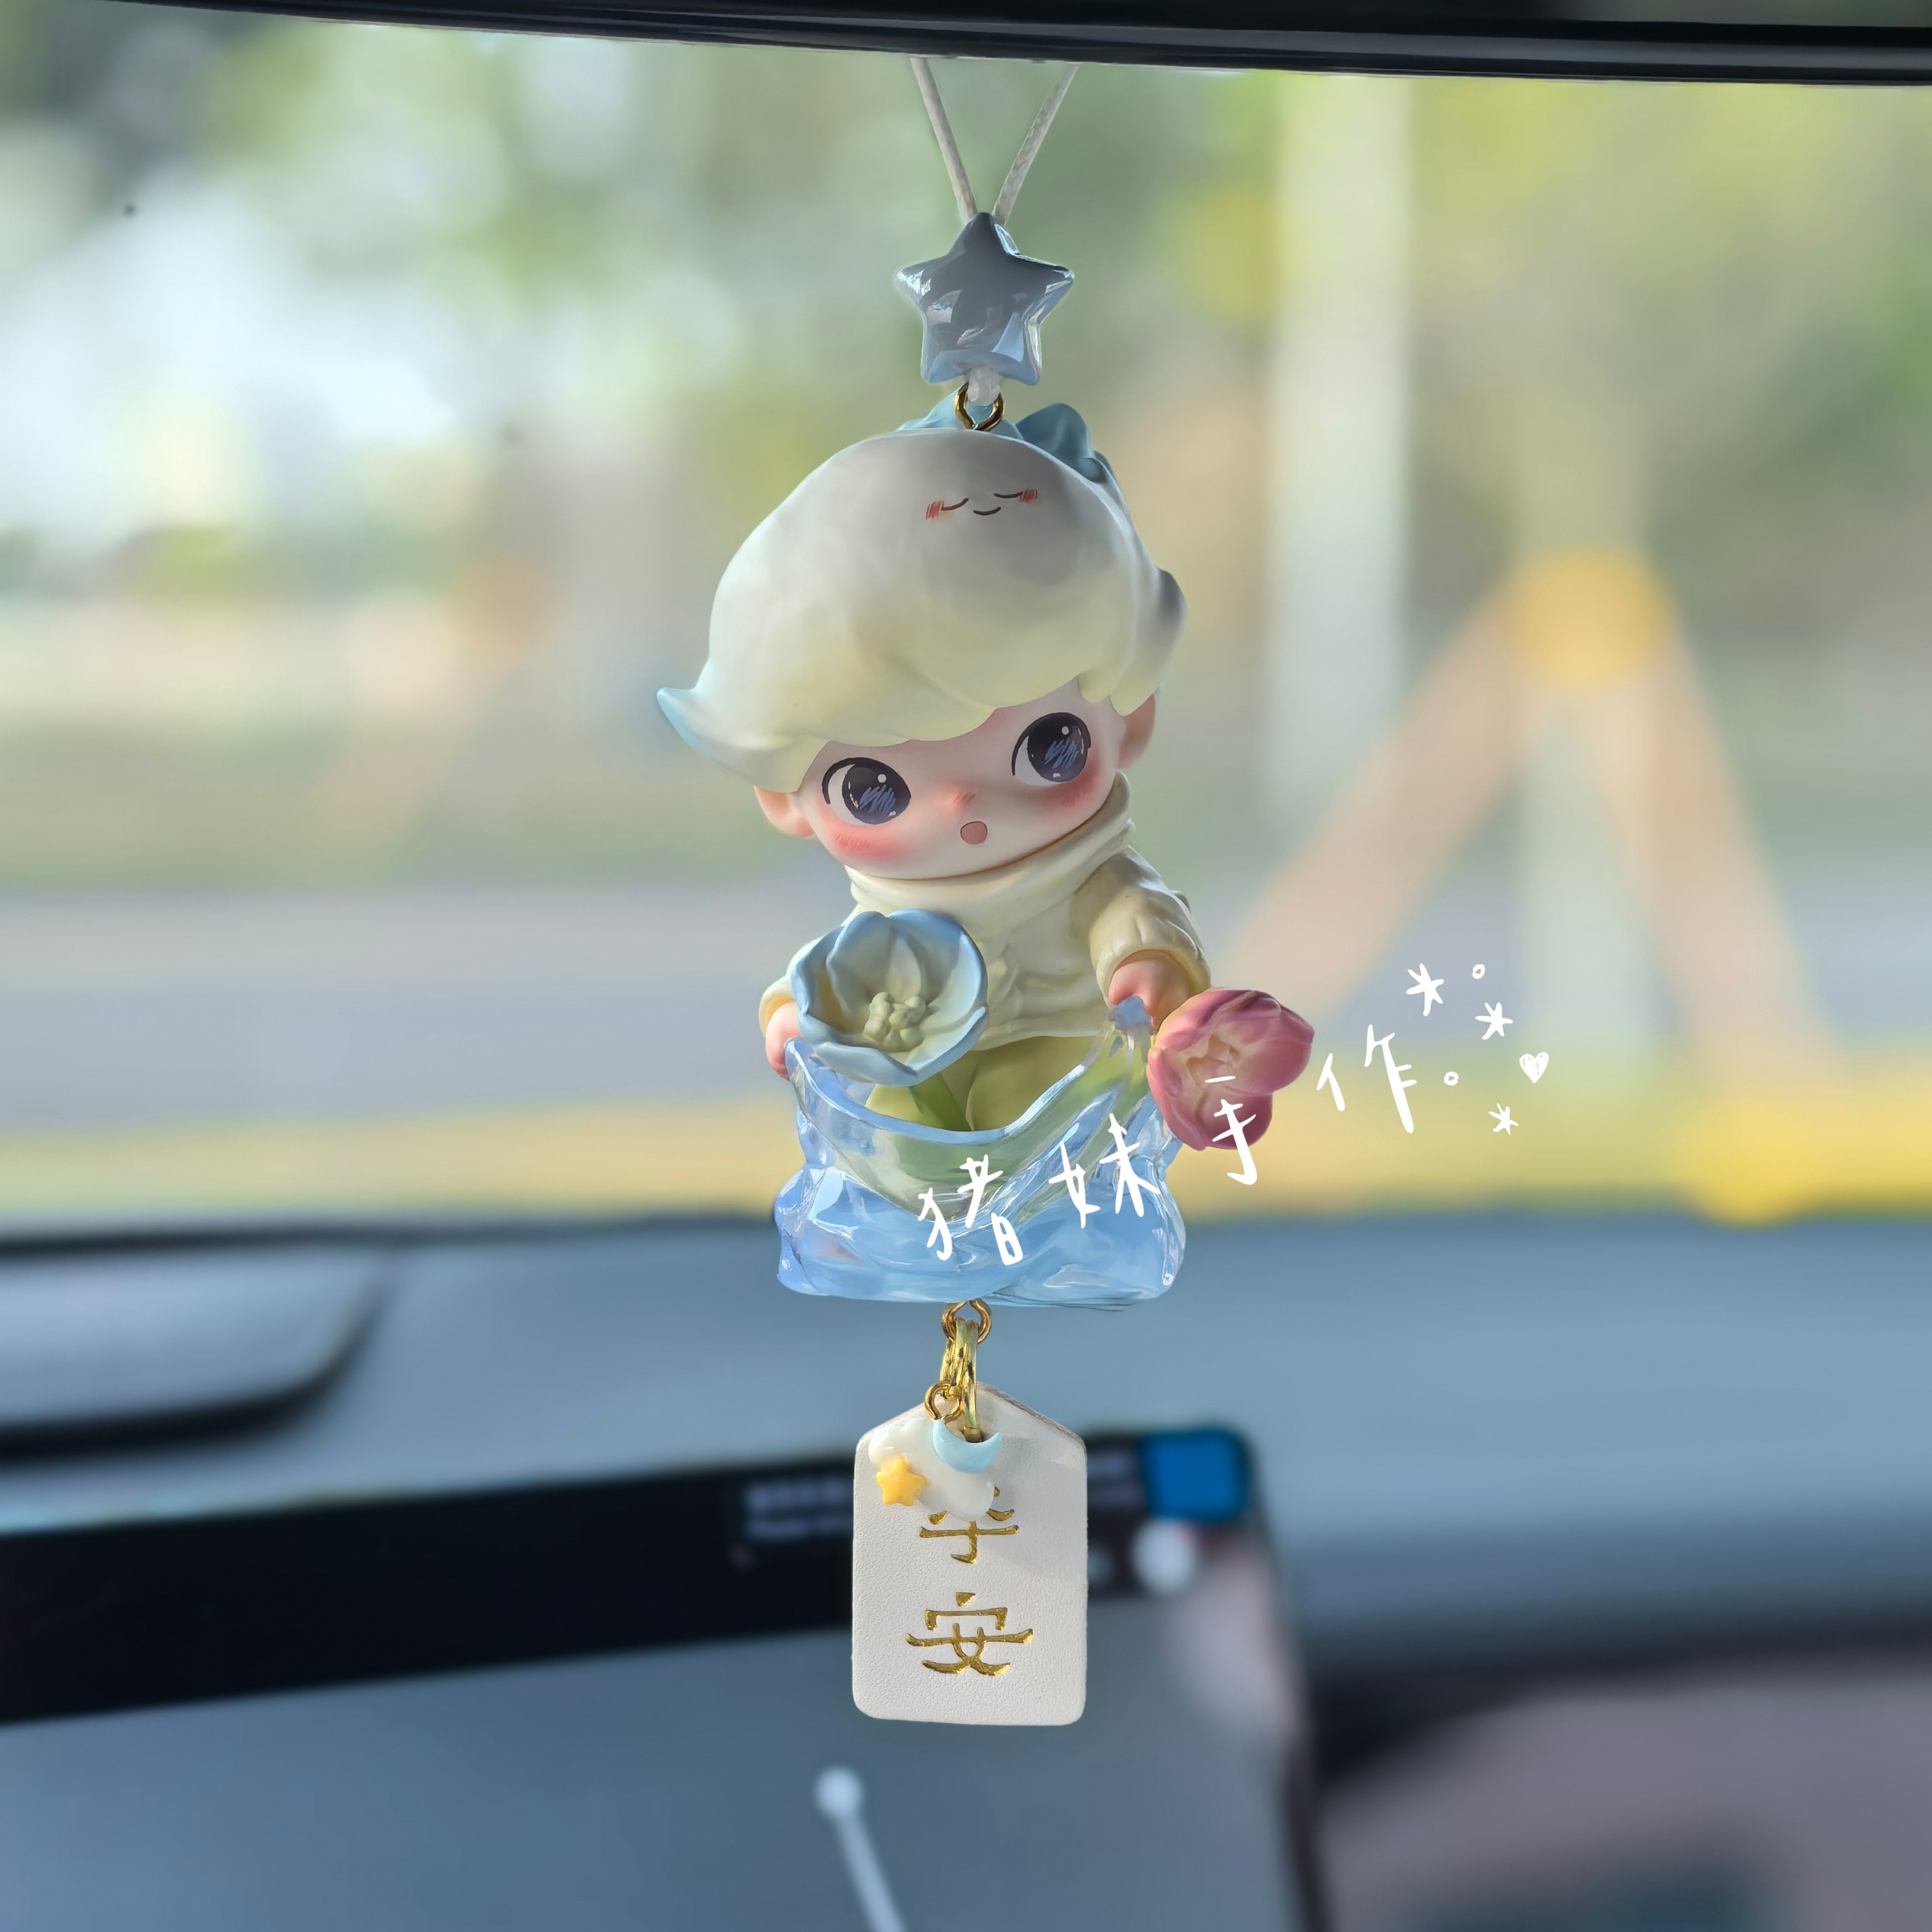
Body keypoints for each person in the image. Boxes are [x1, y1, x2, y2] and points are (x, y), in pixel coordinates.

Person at [659, 402, 1212, 1132]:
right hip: (915, 1060)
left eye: (1049, 745)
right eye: (873, 791)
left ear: (1131, 718)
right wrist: (799, 1010)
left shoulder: (1083, 873)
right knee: (895, 1140)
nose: (959, 802)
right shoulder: (890, 899)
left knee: (1024, 1113)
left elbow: (1126, 907)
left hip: (1056, 1039)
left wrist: (1144, 964)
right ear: (783, 796)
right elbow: (852, 960)